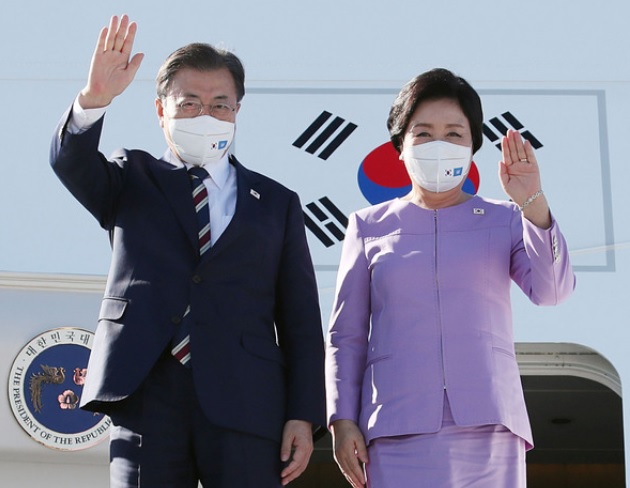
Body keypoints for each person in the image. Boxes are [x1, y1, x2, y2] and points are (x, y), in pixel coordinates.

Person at [50, 15, 325, 488]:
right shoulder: (130, 177)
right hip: (145, 393)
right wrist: (94, 98)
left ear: (237, 110)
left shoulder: (276, 202)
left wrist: (303, 413)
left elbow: (300, 319)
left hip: (246, 401)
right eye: (190, 103)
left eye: (220, 104)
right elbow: (69, 162)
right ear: (161, 110)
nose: (206, 115)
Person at [325, 68, 576, 487]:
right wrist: (342, 419)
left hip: (491, 424)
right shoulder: (368, 226)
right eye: (423, 133)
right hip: (395, 425)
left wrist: (532, 201)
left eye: (454, 134)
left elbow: (553, 292)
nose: (438, 145)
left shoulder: (505, 218)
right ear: (399, 147)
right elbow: (345, 336)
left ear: (473, 146)